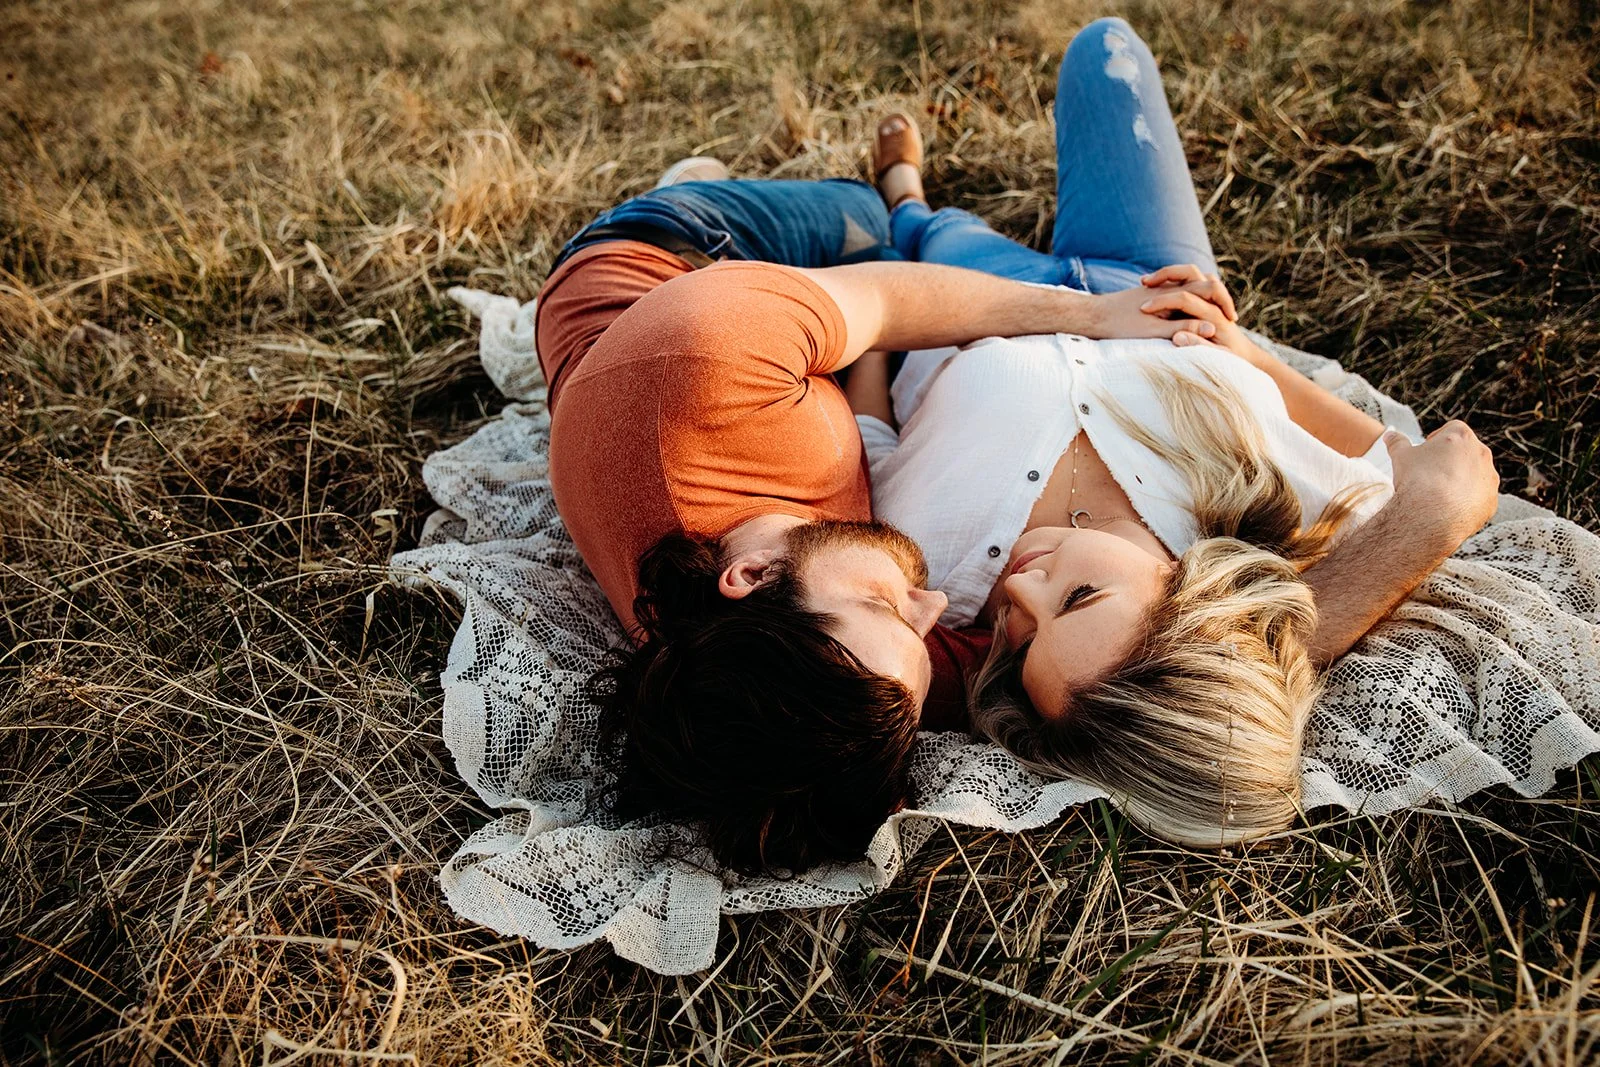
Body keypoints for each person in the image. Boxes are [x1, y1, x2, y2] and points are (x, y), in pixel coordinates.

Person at [851, 17, 1501, 846]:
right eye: (1076, 597)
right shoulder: (1279, 508)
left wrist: (880, 326)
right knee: (1105, 48)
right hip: (1150, 275)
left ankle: (902, 191)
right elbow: (1424, 462)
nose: (1019, 592)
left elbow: (871, 432)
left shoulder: (928, 572)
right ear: (1189, 592)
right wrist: (1248, 353)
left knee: (923, 228)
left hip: (973, 295)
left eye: (1021, 643)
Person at [532, 156, 1240, 872]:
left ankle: (691, 179)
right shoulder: (814, 668)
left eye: (887, 604)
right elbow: (1126, 666)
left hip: (669, 255)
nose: (933, 602)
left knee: (868, 225)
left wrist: (1095, 314)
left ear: (751, 573)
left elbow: (891, 305)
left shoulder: (709, 359)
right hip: (720, 364)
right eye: (917, 624)